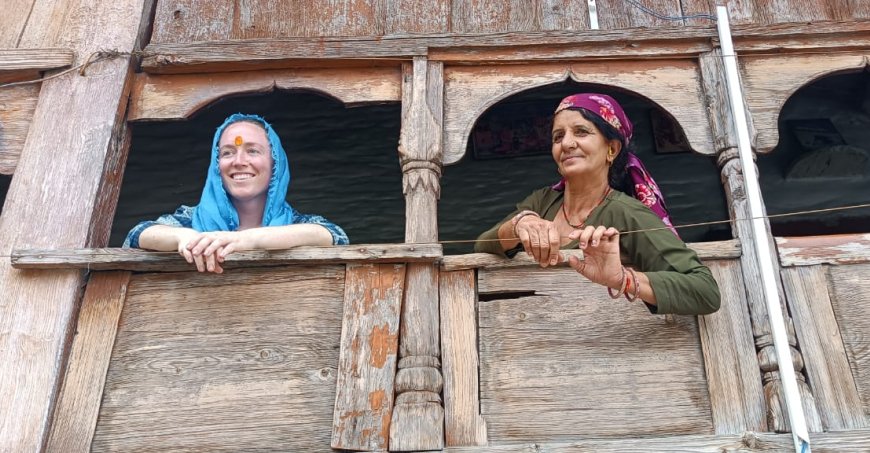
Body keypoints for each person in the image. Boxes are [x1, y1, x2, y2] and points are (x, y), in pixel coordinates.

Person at [474, 93, 720, 315]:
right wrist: (520, 223)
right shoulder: (543, 201)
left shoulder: (626, 212)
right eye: (558, 136)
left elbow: (704, 290)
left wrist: (621, 279)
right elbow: (482, 246)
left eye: (581, 132)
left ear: (611, 148)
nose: (566, 144)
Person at [124, 113, 349, 273]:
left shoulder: (297, 223)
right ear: (216, 165)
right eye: (228, 153)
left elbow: (335, 236)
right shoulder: (190, 221)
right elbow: (137, 235)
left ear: (275, 164)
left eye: (252, 151)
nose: (239, 162)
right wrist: (186, 238)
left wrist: (244, 240)